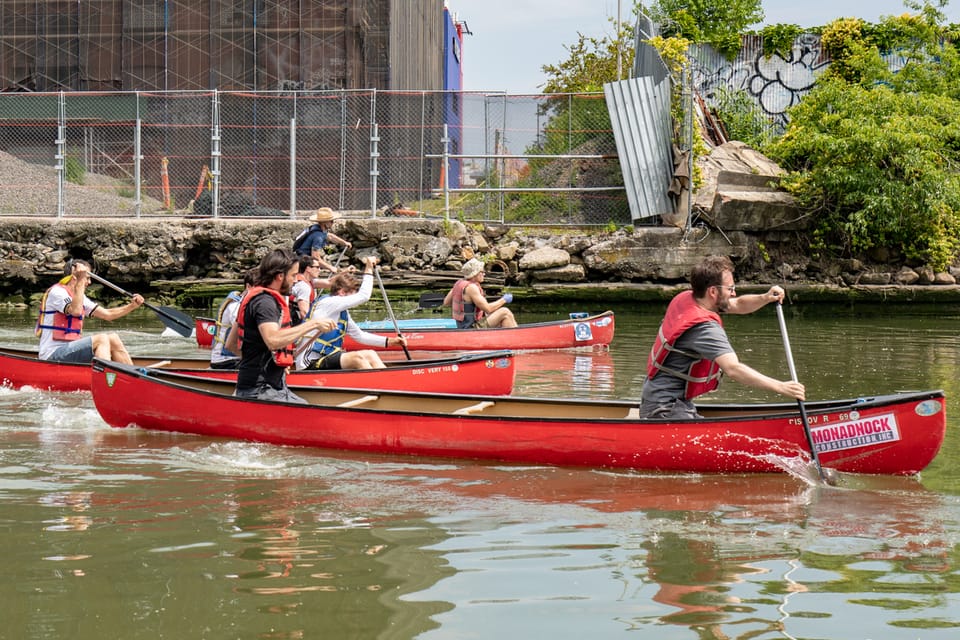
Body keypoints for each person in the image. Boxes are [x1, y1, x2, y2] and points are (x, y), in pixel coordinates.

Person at [639, 255, 805, 420]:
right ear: (713, 291)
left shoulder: (687, 298)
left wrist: (765, 298)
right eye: (730, 288)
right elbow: (733, 369)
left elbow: (738, 304)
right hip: (664, 409)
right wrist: (781, 386)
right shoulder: (705, 328)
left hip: (665, 401)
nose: (734, 292)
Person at [225, 248, 336, 403]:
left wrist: (272, 363)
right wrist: (314, 324)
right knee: (308, 415)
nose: (296, 280)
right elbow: (273, 340)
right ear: (279, 276)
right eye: (293, 275)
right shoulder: (265, 303)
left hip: (262, 386)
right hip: (261, 390)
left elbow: (231, 344)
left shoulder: (256, 298)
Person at [296, 255, 407, 370]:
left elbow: (360, 336)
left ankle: (387, 381)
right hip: (309, 361)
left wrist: (390, 341)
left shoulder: (342, 312)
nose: (354, 299)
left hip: (326, 356)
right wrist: (368, 269)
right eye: (353, 294)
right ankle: (377, 383)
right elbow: (364, 296)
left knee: (370, 354)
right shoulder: (329, 302)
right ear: (342, 292)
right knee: (357, 358)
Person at [36, 259, 144, 364]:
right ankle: (104, 378)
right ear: (75, 277)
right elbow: (76, 311)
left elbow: (108, 315)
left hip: (69, 352)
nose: (89, 282)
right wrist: (80, 281)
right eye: (86, 278)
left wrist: (132, 306)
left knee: (113, 338)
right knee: (102, 339)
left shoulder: (80, 297)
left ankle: (133, 377)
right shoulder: (57, 292)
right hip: (51, 354)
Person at [443, 257, 516, 329]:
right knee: (505, 312)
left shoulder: (459, 284)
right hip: (472, 327)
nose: (484, 274)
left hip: (461, 326)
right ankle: (518, 337)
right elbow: (488, 309)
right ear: (475, 274)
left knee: (500, 317)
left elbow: (446, 303)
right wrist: (504, 299)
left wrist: (463, 306)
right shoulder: (472, 288)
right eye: (481, 272)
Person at [209, 268, 256, 369]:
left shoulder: (243, 302)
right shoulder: (237, 305)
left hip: (233, 358)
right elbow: (245, 329)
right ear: (248, 287)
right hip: (225, 360)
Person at [292, 207, 352, 273]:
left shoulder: (318, 228)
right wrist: (331, 268)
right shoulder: (318, 237)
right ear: (324, 223)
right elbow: (315, 257)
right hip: (304, 261)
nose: (333, 223)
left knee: (328, 251)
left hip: (303, 257)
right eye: (331, 221)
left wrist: (344, 243)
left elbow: (330, 236)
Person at [290, 255, 320, 324]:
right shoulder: (303, 286)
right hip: (295, 322)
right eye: (317, 267)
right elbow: (304, 313)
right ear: (308, 269)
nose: (319, 270)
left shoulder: (305, 281)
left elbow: (329, 282)